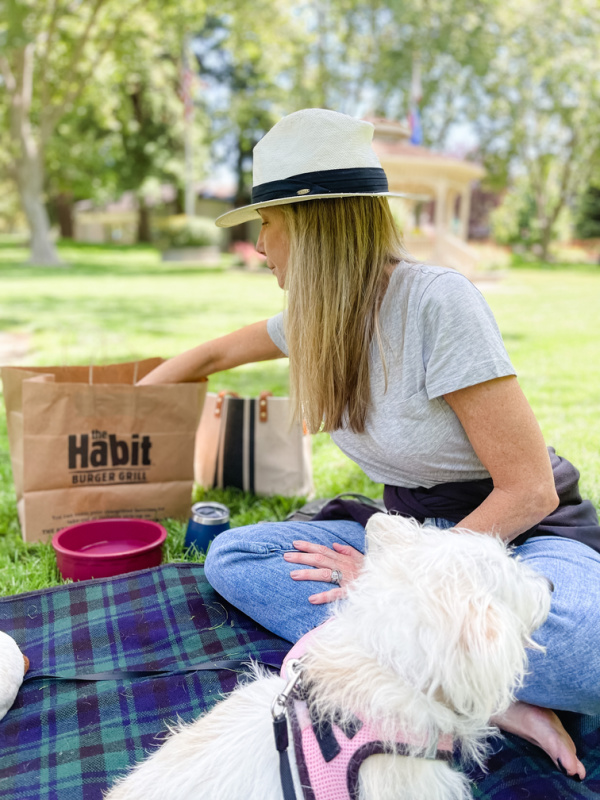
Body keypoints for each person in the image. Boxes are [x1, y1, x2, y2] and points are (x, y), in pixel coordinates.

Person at [139, 109, 600, 781]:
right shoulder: (312, 321)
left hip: (523, 535)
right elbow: (210, 351)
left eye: (265, 225)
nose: (260, 247)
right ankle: (497, 698)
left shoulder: (438, 302)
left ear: (309, 226)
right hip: (411, 536)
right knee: (235, 558)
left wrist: (395, 584)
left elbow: (527, 490)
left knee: (587, 650)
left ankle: (454, 669)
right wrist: (128, 400)